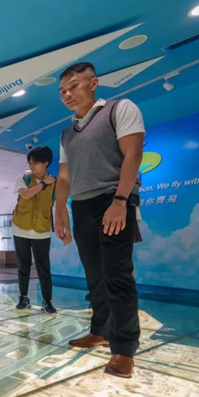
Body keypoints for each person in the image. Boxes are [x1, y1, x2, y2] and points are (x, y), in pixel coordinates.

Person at [54, 62, 144, 379]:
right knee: (95, 276)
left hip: (113, 199)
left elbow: (133, 155)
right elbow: (64, 177)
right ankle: (100, 331)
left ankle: (124, 349)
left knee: (117, 275)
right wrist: (60, 209)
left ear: (94, 83)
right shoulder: (67, 133)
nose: (68, 94)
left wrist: (121, 201)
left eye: (74, 86)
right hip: (81, 205)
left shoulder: (120, 109)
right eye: (62, 91)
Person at [12, 146, 57, 314]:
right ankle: (23, 298)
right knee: (23, 265)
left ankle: (47, 301)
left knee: (43, 267)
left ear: (46, 163)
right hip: (20, 228)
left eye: (35, 163)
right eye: (30, 163)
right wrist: (43, 184)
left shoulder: (55, 183)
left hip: (42, 229)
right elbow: (26, 194)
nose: (31, 166)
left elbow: (56, 204)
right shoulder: (22, 178)